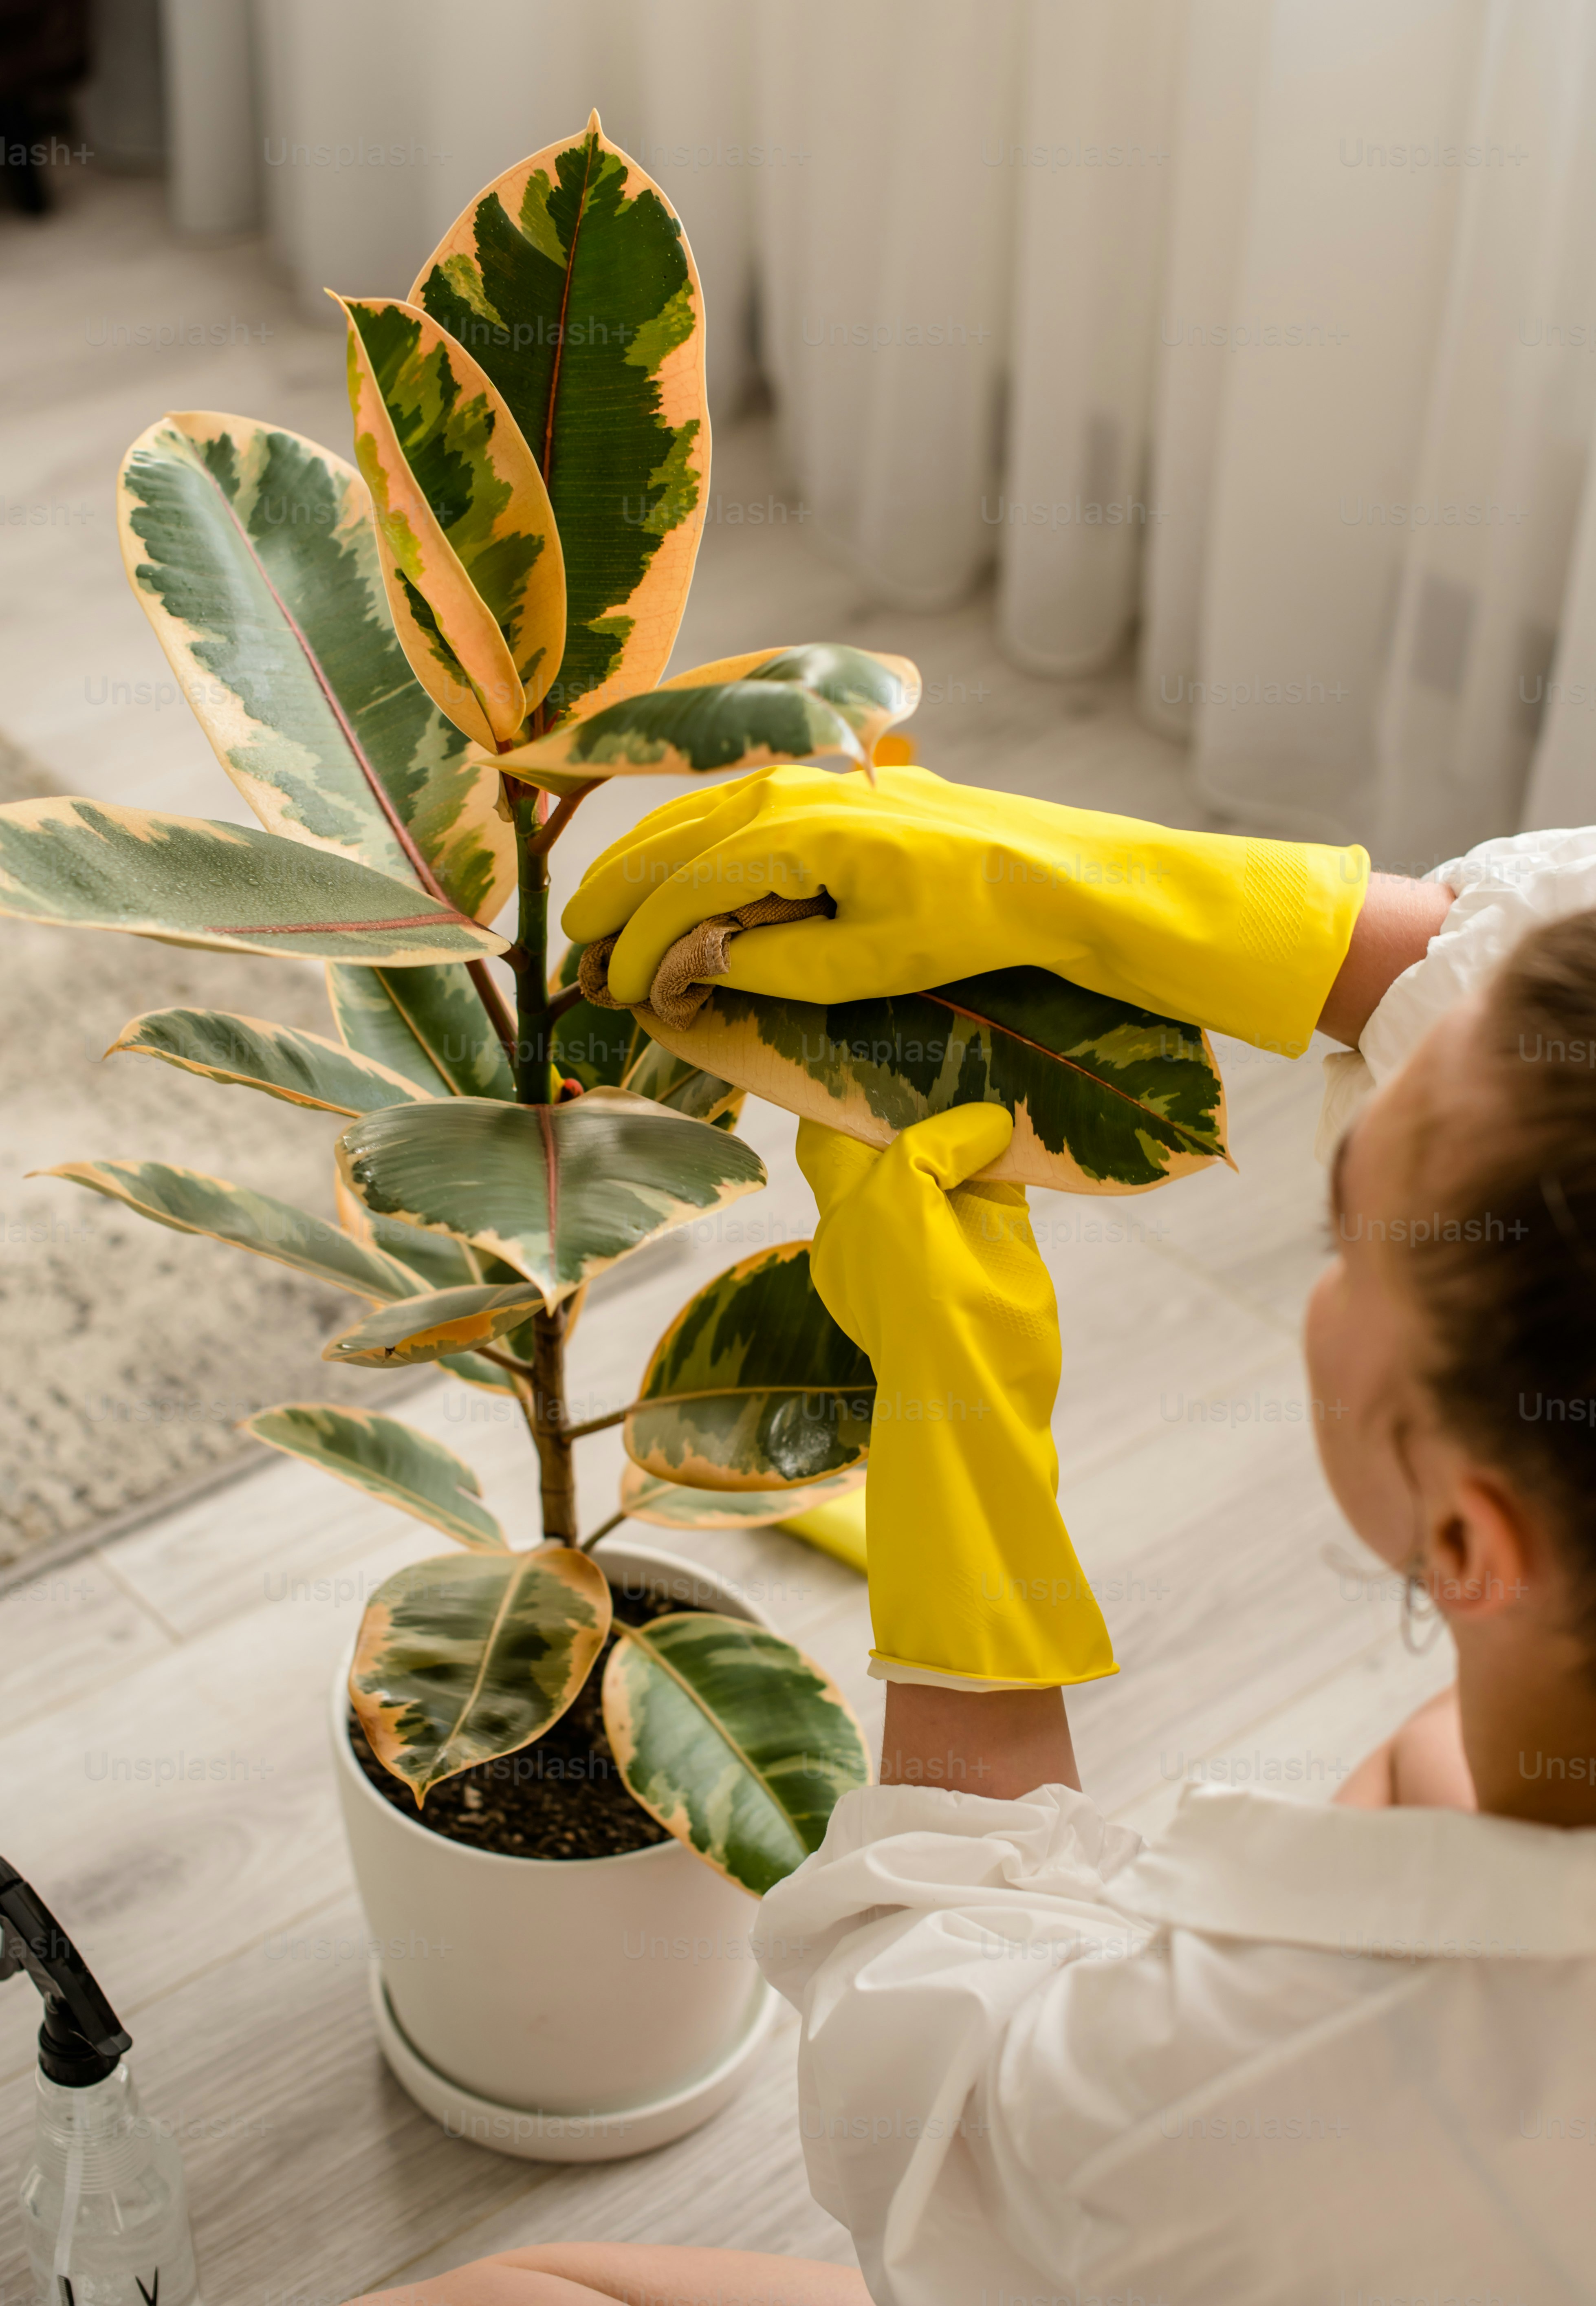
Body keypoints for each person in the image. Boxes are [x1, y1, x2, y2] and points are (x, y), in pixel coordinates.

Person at [349, 782, 1596, 2305]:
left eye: (1352, 1233)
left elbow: (938, 2110)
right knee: (1425, 1778)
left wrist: (963, 1492)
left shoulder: (1294, 2093)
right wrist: (1233, 912)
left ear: (1468, 1528)